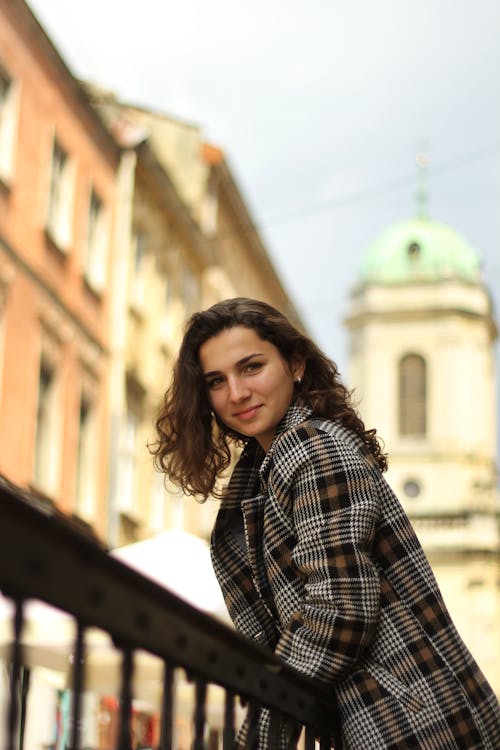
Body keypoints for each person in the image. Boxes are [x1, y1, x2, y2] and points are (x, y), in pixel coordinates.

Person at [151, 297, 500, 749]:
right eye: (217, 381)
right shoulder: (264, 469)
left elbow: (340, 610)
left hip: (410, 725)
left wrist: (258, 733)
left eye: (252, 367)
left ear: (295, 365)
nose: (235, 393)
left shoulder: (313, 449)